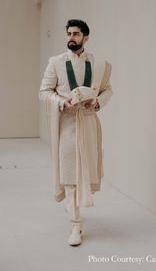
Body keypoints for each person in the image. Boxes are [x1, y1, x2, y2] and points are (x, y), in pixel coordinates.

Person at [39, 19, 113, 246]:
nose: (71, 37)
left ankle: (74, 210)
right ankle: (75, 223)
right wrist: (62, 102)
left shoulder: (100, 64)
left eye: (76, 34)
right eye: (69, 33)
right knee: (70, 170)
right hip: (67, 123)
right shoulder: (56, 62)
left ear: (86, 38)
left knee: (86, 169)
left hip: (89, 123)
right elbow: (44, 91)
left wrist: (98, 102)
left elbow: (108, 89)